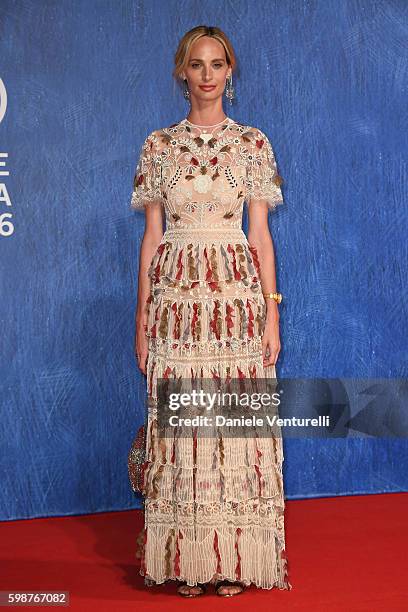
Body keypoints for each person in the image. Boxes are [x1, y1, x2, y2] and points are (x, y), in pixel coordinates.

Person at [129, 25, 292, 598]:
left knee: (231, 427)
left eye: (216, 64)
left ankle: (234, 559)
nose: (206, 75)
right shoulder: (158, 146)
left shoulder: (252, 144)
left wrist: (271, 313)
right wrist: (142, 316)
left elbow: (261, 236)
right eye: (195, 65)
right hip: (176, 306)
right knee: (183, 429)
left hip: (235, 301)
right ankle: (186, 560)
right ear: (181, 72)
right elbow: (151, 239)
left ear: (229, 71)